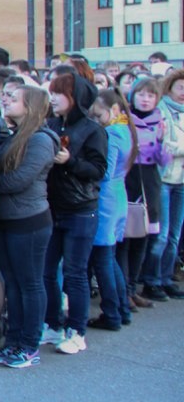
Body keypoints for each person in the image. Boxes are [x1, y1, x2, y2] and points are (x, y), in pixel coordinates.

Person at [0, 85, 58, 368]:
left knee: (29, 284)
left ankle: (29, 344)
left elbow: (20, 180)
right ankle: (13, 340)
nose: (6, 102)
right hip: (6, 219)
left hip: (28, 221)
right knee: (13, 285)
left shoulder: (41, 139)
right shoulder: (14, 135)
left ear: (30, 107)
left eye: (14, 99)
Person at [40, 72, 108, 356]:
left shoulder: (93, 130)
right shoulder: (51, 124)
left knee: (75, 273)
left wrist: (70, 162)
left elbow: (97, 170)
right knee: (45, 272)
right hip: (51, 207)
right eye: (52, 92)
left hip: (81, 210)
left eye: (60, 93)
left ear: (75, 98)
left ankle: (76, 331)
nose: (53, 97)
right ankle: (52, 324)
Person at [88, 88, 136, 331]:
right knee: (109, 257)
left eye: (99, 115)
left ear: (113, 110)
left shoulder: (112, 133)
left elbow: (104, 170)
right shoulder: (124, 129)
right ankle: (121, 310)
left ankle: (112, 312)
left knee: (103, 258)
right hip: (117, 195)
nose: (96, 121)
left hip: (106, 199)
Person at [124, 77, 168, 301]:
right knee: (126, 237)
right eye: (141, 94)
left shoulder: (160, 121)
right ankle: (124, 291)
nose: (145, 99)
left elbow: (164, 160)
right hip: (129, 177)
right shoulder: (124, 119)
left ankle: (133, 287)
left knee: (144, 235)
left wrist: (161, 141)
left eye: (150, 95)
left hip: (149, 179)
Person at [155, 69, 184, 299]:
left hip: (181, 179)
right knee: (161, 235)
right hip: (164, 178)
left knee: (174, 235)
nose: (183, 93)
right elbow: (165, 147)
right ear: (170, 87)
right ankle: (152, 279)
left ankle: (166, 278)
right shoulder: (161, 110)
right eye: (180, 87)